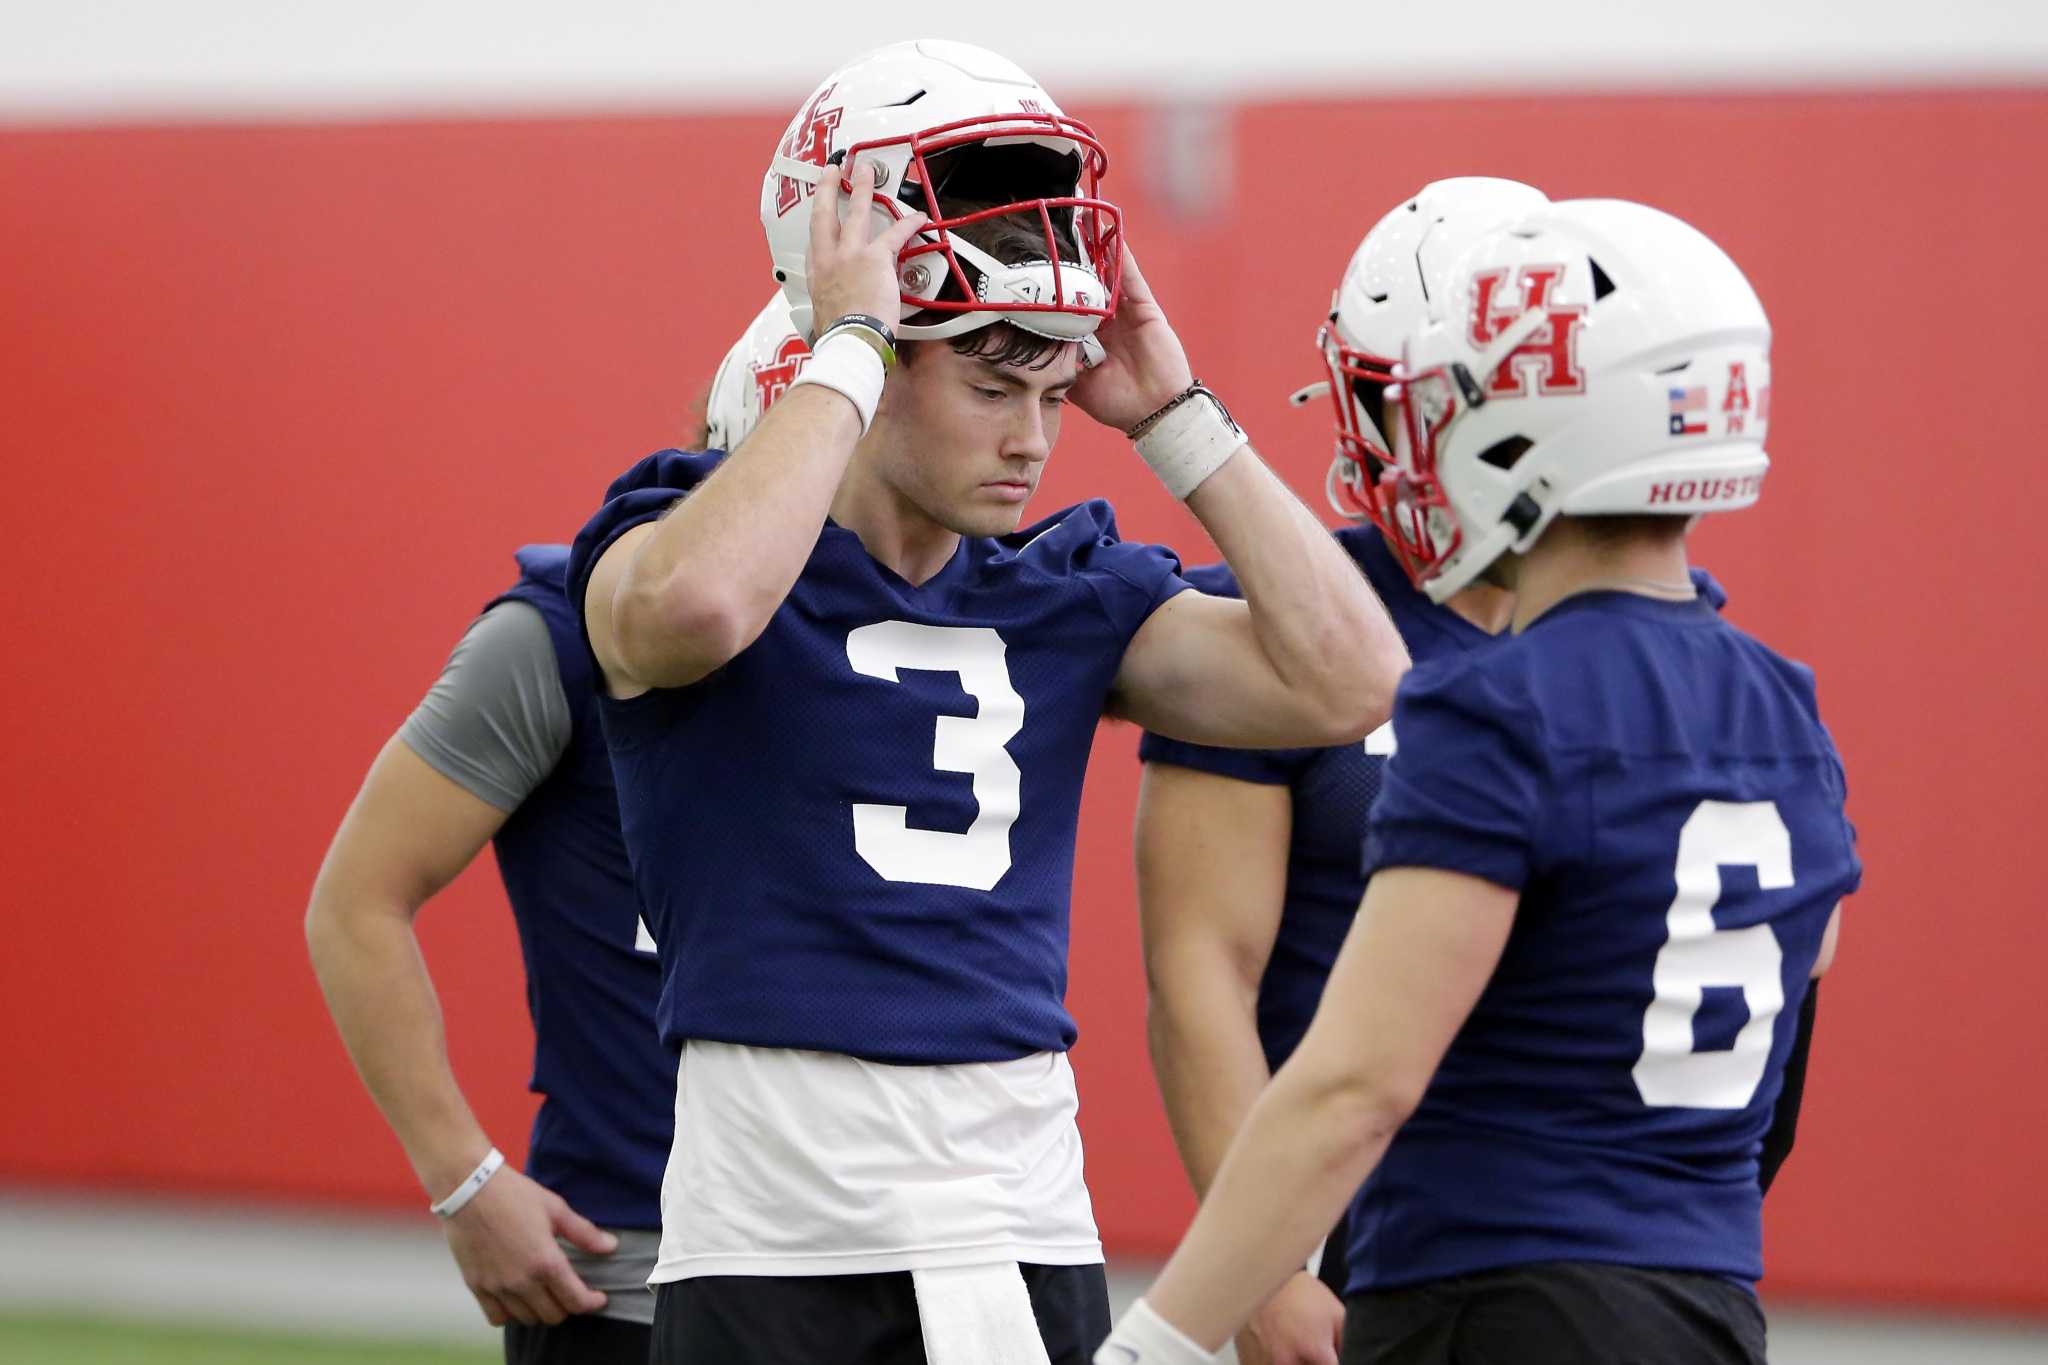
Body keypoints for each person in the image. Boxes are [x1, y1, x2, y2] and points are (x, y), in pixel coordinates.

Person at [566, 38, 1409, 1365]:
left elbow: (1352, 679)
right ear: (872, 348)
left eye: (1052, 391)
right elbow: (698, 611)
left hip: (1018, 1212)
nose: (1033, 436)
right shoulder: (683, 540)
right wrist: (842, 338)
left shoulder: (1066, 591)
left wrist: (1177, 415)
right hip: (775, 1217)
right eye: (990, 384)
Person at [1098, 198, 1861, 1365]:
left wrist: (1158, 1337)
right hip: (1706, 1301)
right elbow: (1788, 1012)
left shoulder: (1493, 702)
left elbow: (1358, 1082)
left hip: (1487, 1294)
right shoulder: (1782, 703)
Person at [305, 301, 800, 1365]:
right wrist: (462, 1178)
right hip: (630, 1277)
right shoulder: (559, 637)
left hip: (886, 1267)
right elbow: (356, 901)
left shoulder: (941, 639)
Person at [1134, 177, 1541, 1365]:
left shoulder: (1641, 647)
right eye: (1389, 401)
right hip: (1350, 1227)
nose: (1410, 443)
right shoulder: (1279, 623)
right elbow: (1200, 968)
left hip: (1568, 1218)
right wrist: (1263, 1268)